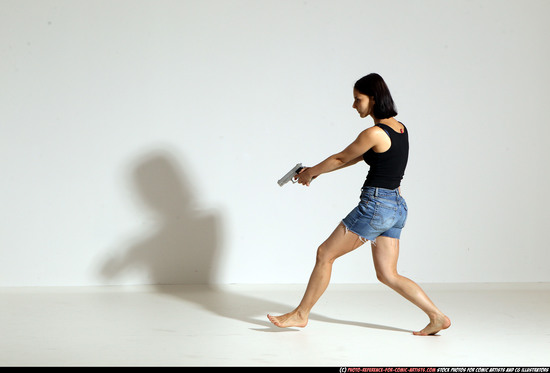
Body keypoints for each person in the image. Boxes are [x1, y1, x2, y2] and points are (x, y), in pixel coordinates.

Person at [268, 73, 451, 336]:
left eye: (358, 99)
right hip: (397, 207)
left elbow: (342, 158)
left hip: (376, 206)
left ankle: (300, 314)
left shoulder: (373, 132)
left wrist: (309, 173)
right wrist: (315, 171)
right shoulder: (400, 129)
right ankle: (437, 317)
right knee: (388, 274)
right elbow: (356, 158)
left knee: (324, 254)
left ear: (374, 99)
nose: (354, 106)